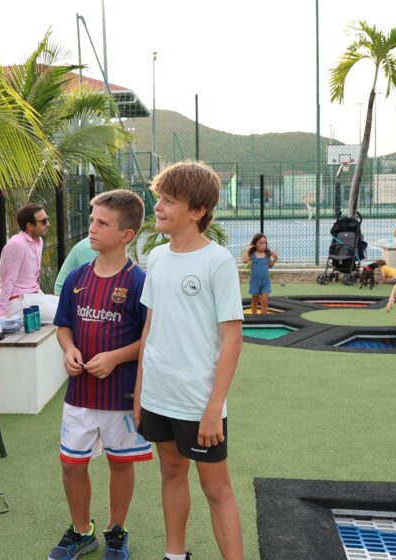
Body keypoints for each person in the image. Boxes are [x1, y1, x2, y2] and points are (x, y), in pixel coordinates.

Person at [135, 161, 245, 560]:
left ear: (197, 211)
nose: (159, 207)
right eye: (158, 198)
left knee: (216, 489)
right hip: (157, 394)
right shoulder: (157, 258)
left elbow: (233, 337)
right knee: (170, 472)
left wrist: (214, 406)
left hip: (199, 402)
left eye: (168, 201)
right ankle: (174, 554)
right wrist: (139, 393)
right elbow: (149, 328)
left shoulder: (217, 261)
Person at [49, 190, 151, 560]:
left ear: (126, 234)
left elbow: (149, 338)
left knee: (120, 463)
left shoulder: (139, 281)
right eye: (92, 220)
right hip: (79, 395)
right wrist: (69, 349)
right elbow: (63, 326)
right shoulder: (77, 277)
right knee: (71, 464)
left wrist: (115, 357)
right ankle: (81, 531)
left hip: (120, 396)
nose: (92, 228)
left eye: (102, 223)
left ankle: (116, 530)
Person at [0, 203, 58, 321]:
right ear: (30, 226)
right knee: (66, 315)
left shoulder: (38, 241)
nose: (48, 224)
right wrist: (0, 313)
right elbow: (7, 280)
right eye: (44, 221)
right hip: (18, 301)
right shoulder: (16, 245)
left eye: (47, 220)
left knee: (73, 305)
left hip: (34, 296)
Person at [242, 233, 279, 315]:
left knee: (264, 300)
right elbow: (245, 260)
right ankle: (254, 317)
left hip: (265, 282)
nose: (263, 245)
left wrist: (275, 258)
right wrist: (247, 249)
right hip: (255, 282)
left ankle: (264, 318)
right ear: (255, 244)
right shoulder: (253, 254)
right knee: (254, 300)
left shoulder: (267, 254)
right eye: (260, 243)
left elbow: (270, 266)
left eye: (265, 243)